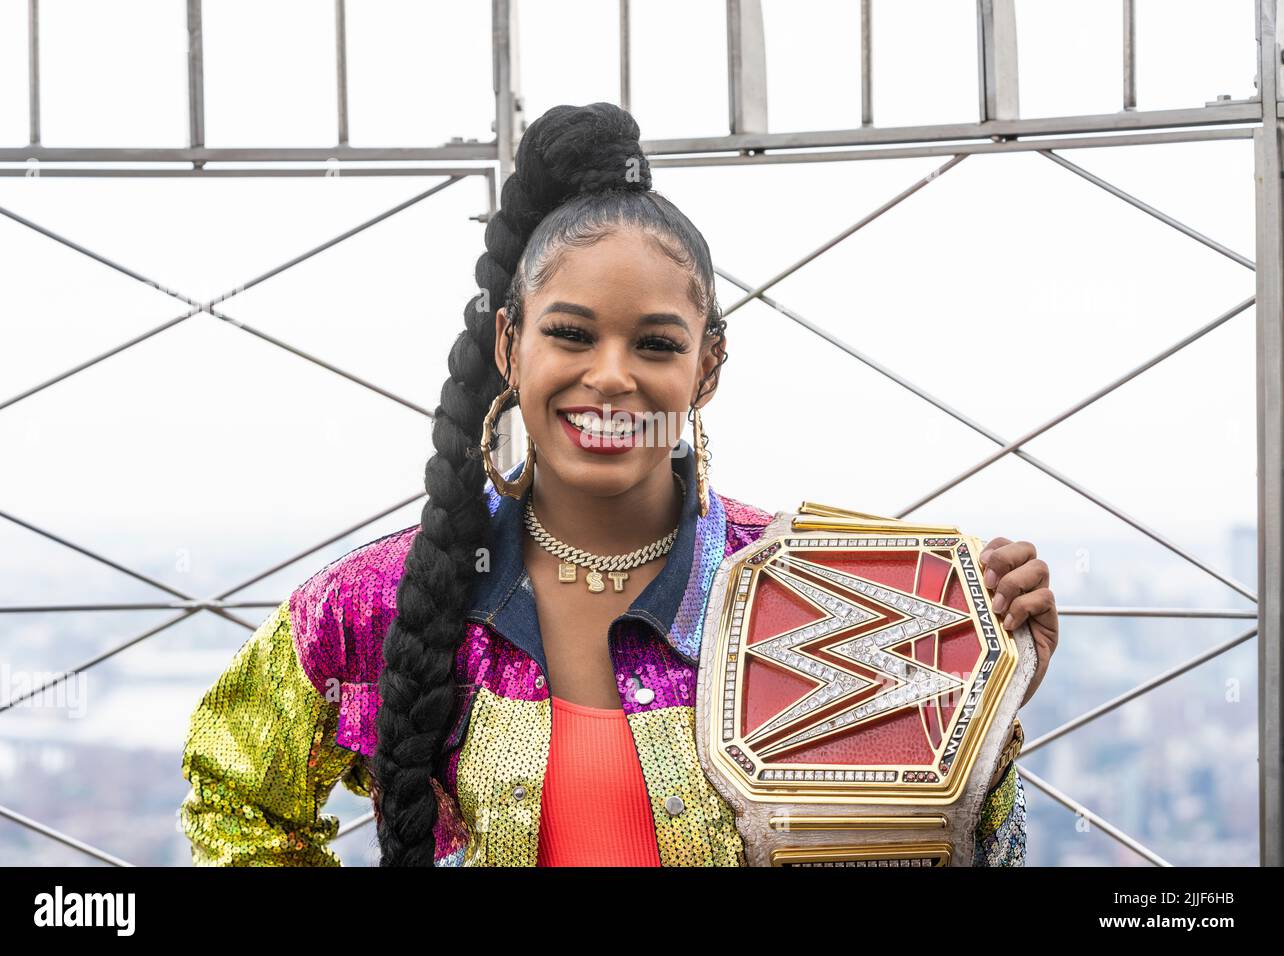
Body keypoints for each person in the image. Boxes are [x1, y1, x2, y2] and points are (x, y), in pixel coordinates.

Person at [179, 102, 1059, 867]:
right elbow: (231, 792)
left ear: (707, 367)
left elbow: (948, 852)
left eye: (656, 344)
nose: (610, 377)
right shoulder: (384, 600)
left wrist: (986, 691)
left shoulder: (820, 591)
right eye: (570, 334)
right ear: (508, 346)